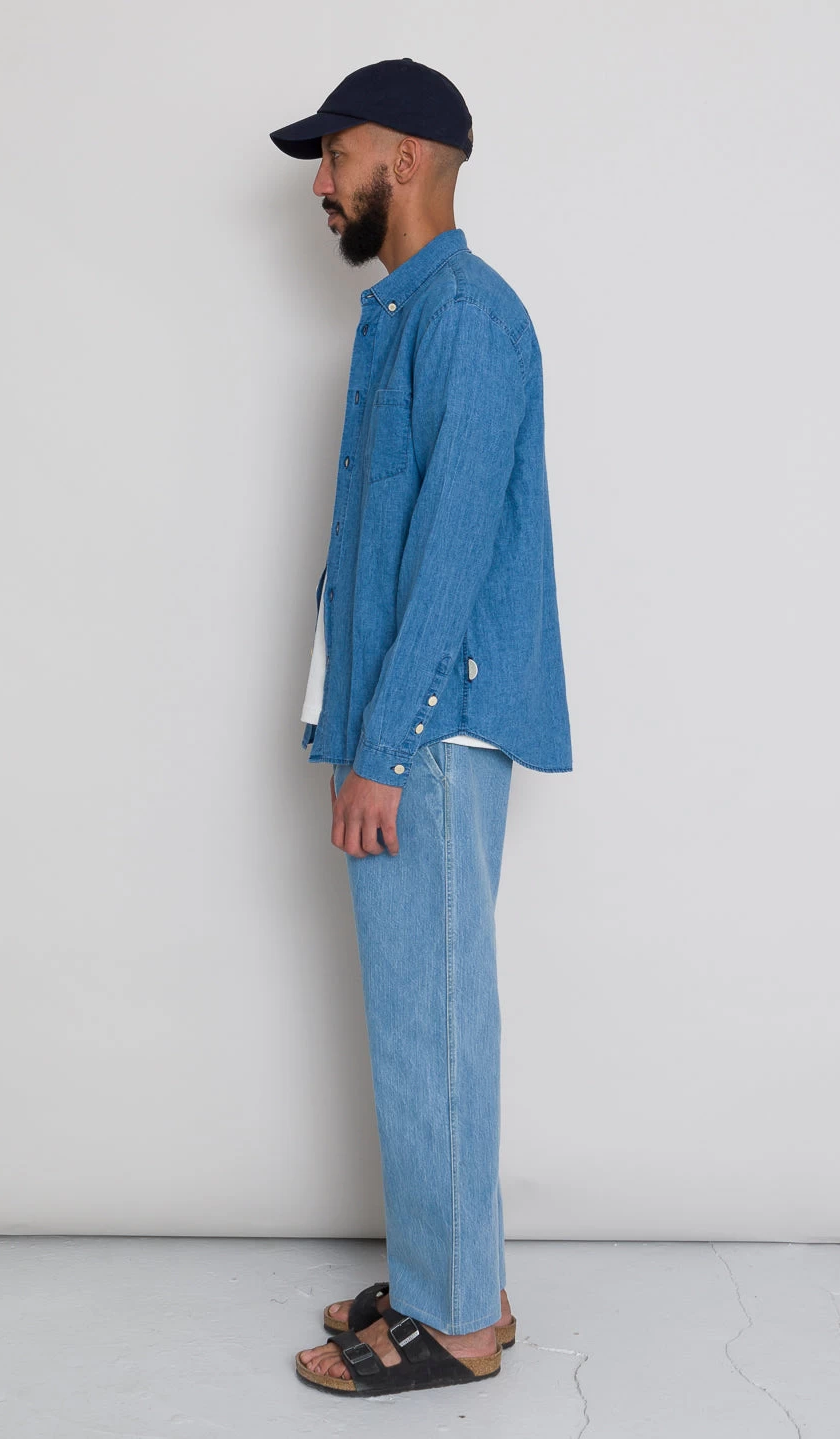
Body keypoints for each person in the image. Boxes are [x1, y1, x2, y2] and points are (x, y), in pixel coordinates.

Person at [269, 57, 573, 1398]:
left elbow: (449, 553)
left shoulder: (466, 317)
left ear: (402, 156)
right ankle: (462, 1277)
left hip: (429, 735)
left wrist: (382, 749)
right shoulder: (409, 313)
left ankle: (452, 1325)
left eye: (334, 157)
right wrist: (354, 730)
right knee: (424, 1013)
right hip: (401, 726)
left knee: (432, 1023)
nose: (321, 186)